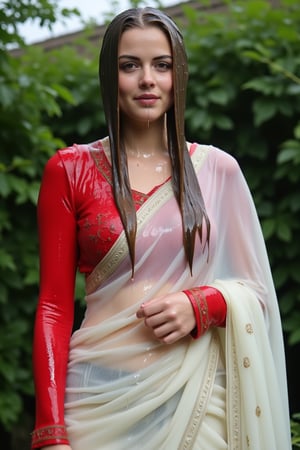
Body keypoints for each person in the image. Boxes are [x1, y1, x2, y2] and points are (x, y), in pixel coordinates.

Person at [31, 6, 292, 450]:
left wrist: (203, 304)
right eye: (129, 65)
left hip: (197, 395)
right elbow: (53, 308)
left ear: (179, 76)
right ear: (109, 77)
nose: (147, 79)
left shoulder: (218, 171)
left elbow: (259, 293)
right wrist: (50, 433)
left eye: (162, 65)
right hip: (97, 401)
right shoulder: (69, 170)